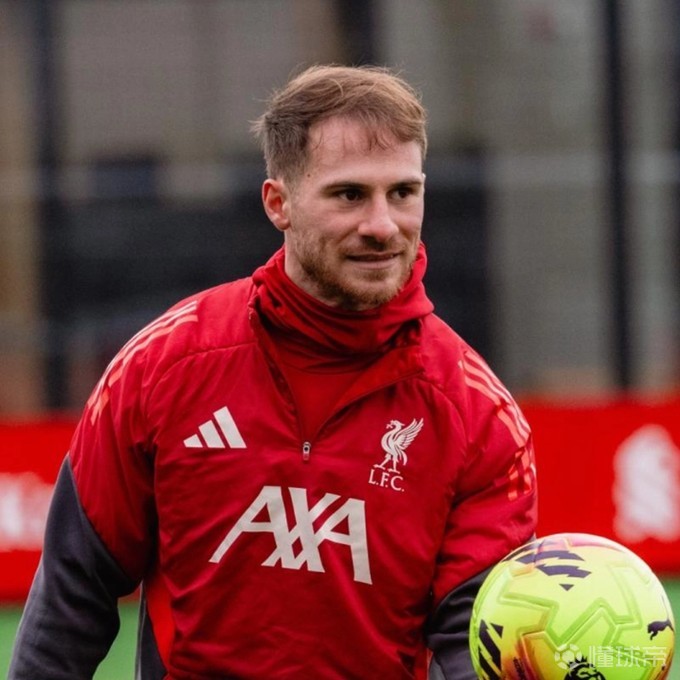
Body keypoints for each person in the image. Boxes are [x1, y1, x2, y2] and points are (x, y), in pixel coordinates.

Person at [10, 64, 537, 679]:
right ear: (278, 203)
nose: (382, 225)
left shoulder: (477, 413)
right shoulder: (162, 367)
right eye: (349, 195)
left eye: (402, 192)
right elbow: (72, 597)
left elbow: (472, 645)